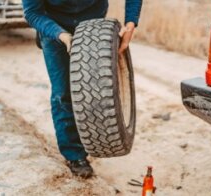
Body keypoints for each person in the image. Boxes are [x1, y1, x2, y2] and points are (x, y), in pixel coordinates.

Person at [22, 0, 142, 178]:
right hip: (55, 25)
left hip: (92, 24)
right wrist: (61, 35)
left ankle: (95, 136)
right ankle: (75, 156)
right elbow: (32, 13)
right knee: (62, 93)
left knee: (98, 89)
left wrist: (130, 24)